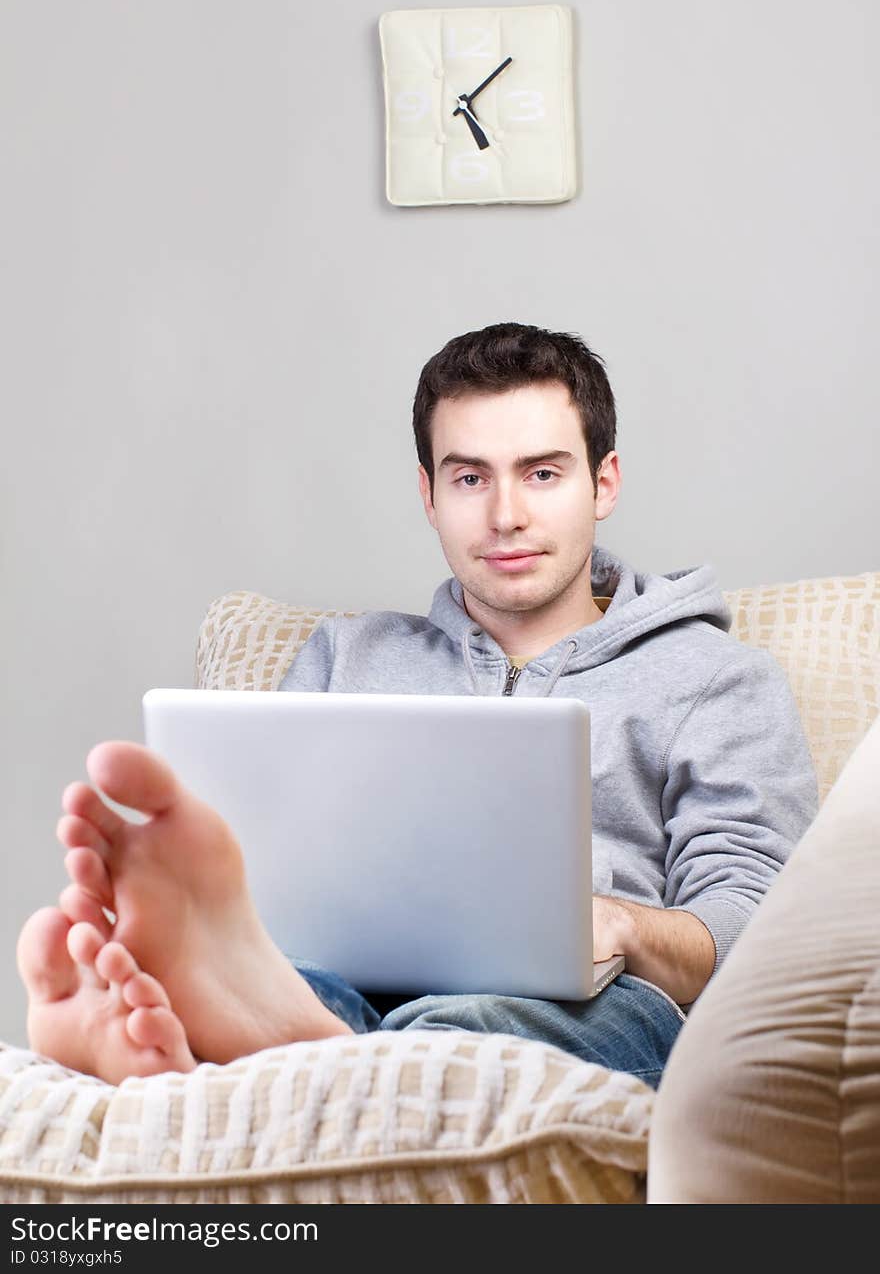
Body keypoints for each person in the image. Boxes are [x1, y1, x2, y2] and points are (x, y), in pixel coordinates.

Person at [17, 322, 818, 1090]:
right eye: (470, 477)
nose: (506, 514)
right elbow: (279, 873)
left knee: (483, 1025)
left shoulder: (715, 678)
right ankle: (274, 1029)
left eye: (542, 473)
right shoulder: (346, 657)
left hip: (587, 1006)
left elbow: (758, 921)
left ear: (603, 482)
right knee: (308, 985)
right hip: (342, 978)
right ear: (430, 494)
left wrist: (622, 925)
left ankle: (267, 1056)